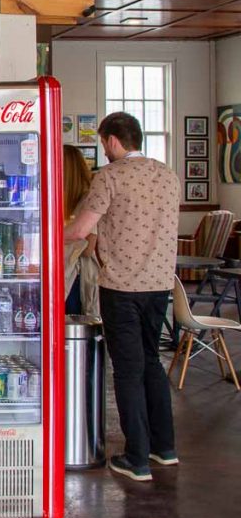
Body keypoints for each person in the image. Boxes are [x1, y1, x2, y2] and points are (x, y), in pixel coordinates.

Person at [66, 112, 180, 482]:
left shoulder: (110, 177)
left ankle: (136, 459)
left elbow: (81, 230)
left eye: (103, 142)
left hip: (121, 287)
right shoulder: (167, 175)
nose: (103, 148)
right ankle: (164, 449)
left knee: (127, 371)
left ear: (113, 140)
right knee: (151, 363)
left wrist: (44, 231)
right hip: (160, 284)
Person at [63, 145, 99, 316]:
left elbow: (89, 248)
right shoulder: (57, 197)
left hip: (74, 275)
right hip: (59, 271)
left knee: (70, 326)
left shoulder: (88, 200)